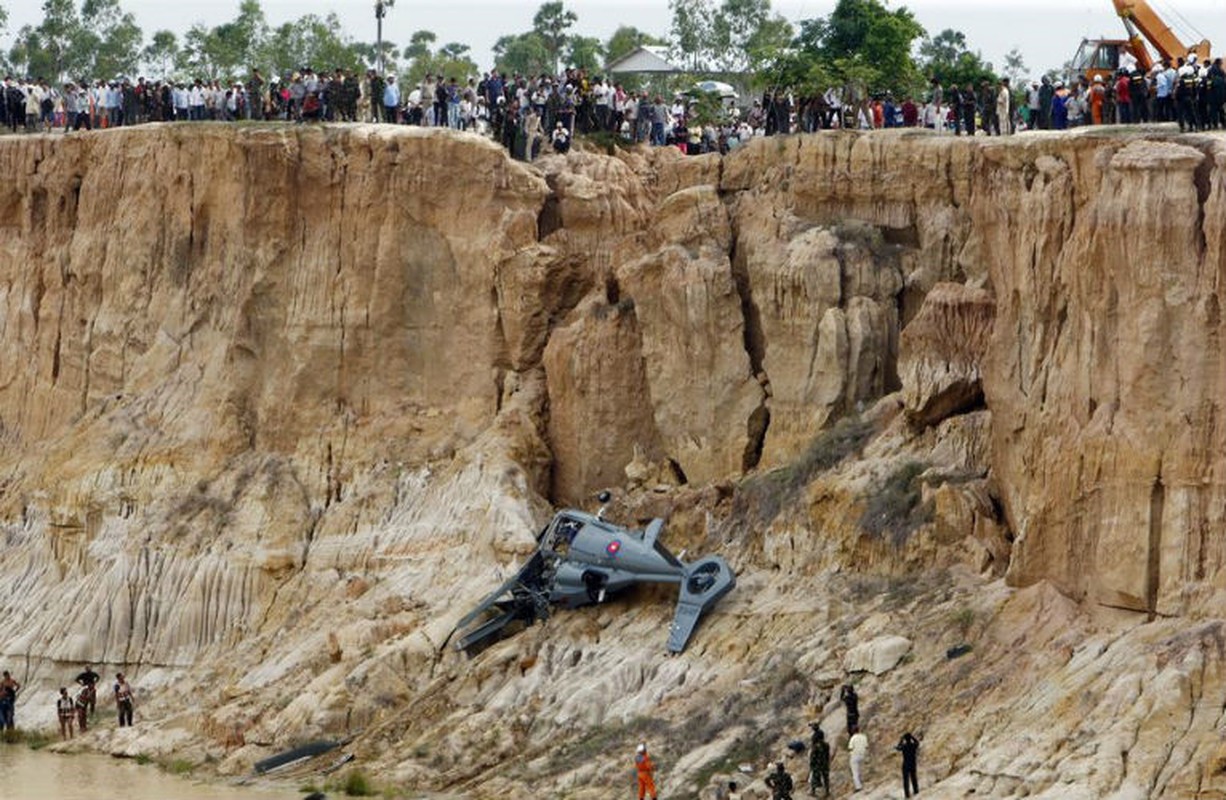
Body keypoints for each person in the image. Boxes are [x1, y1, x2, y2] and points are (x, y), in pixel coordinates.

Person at [808, 722, 830, 796]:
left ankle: (813, 792)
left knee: (814, 777)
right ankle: (827, 791)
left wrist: (811, 764)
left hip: (817, 764)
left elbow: (813, 757)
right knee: (826, 778)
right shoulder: (826, 745)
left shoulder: (815, 747)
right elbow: (827, 755)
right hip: (825, 763)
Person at [896, 732, 920, 797]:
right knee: (914, 778)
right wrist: (912, 737)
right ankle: (916, 791)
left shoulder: (904, 746)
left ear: (905, 739)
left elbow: (898, 747)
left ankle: (907, 794)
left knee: (906, 780)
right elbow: (917, 743)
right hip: (912, 764)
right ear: (910, 739)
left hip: (906, 764)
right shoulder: (913, 745)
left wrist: (901, 740)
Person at [848, 725, 868, 792]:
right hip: (862, 754)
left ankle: (858, 786)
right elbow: (866, 746)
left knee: (855, 772)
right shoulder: (864, 737)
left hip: (855, 755)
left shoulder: (853, 738)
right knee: (861, 769)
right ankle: (863, 781)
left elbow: (850, 748)